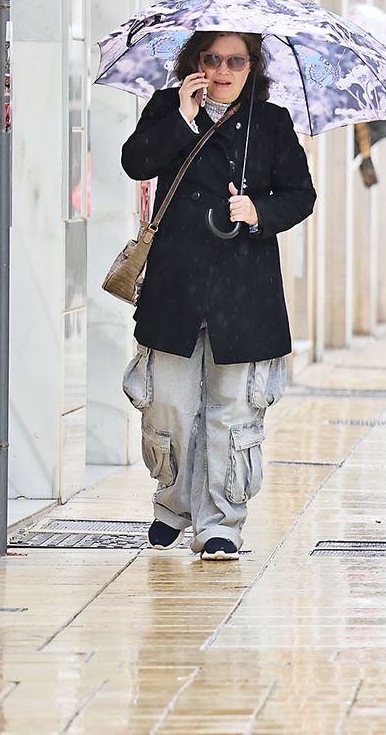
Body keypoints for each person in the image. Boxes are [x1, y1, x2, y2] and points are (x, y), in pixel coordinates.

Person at [120, 31, 317, 560]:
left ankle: (221, 522)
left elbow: (301, 195)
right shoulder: (168, 107)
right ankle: (173, 504)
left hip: (244, 289)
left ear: (253, 66)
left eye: (236, 59)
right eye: (213, 58)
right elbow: (136, 162)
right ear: (195, 62)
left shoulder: (270, 123)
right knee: (168, 407)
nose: (224, 69)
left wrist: (257, 212)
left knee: (233, 412)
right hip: (175, 285)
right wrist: (182, 119)